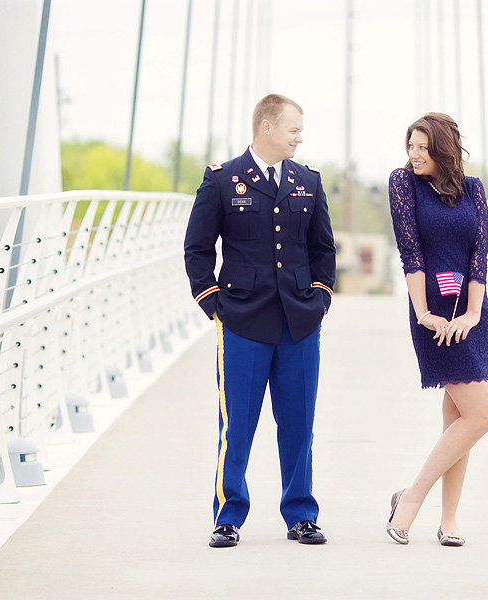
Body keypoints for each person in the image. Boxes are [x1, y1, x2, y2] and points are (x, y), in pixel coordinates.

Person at [184, 93, 336, 547]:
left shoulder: (308, 180)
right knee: (237, 426)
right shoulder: (222, 180)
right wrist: (214, 304)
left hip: (300, 324)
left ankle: (301, 515)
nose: (299, 137)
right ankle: (227, 517)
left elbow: (323, 250)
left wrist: (321, 300)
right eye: (293, 129)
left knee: (298, 424)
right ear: (266, 127)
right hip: (242, 323)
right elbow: (197, 249)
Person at [385, 112, 488, 546]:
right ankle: (412, 497)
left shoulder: (473, 189)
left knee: (460, 419)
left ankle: (449, 520)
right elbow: (410, 252)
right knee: (482, 415)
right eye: (410, 146)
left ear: (443, 149)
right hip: (432, 315)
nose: (413, 155)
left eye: (422, 148)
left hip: (472, 316)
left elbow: (478, 256)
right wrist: (423, 313)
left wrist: (471, 314)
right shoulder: (402, 183)